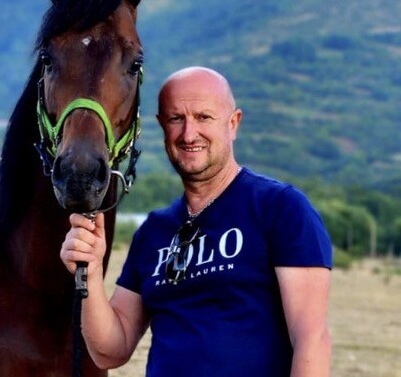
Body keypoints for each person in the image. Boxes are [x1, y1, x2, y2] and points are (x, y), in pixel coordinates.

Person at [60, 66, 332, 377]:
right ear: (162, 126)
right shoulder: (153, 232)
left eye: (203, 117)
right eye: (176, 118)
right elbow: (110, 350)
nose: (189, 134)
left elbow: (312, 339)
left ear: (233, 123)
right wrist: (92, 273)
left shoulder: (281, 208)